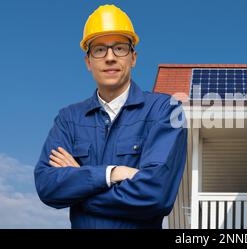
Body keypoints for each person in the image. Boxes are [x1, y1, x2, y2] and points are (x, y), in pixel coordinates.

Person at [34, 4, 187, 229]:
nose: (110, 58)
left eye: (119, 48)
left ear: (133, 58)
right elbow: (47, 185)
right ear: (88, 61)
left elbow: (157, 194)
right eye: (99, 50)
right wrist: (111, 173)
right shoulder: (68, 119)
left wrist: (79, 186)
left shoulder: (165, 110)